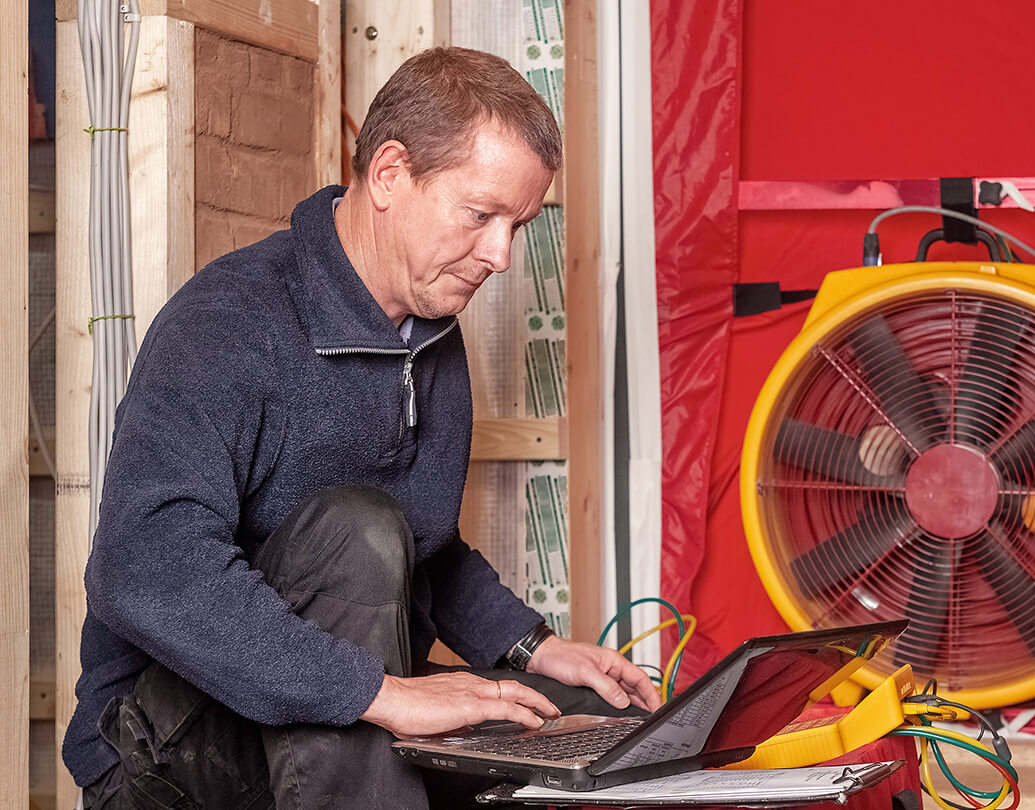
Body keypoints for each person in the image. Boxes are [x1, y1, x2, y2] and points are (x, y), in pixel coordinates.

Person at [62, 46, 661, 809]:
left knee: (596, 724)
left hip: (337, 691)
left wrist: (536, 647)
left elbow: (425, 547)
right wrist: (382, 693)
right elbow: (145, 566)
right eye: (481, 215)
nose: (501, 256)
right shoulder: (229, 320)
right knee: (356, 527)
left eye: (519, 225)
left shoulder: (430, 330)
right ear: (388, 175)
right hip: (159, 751)